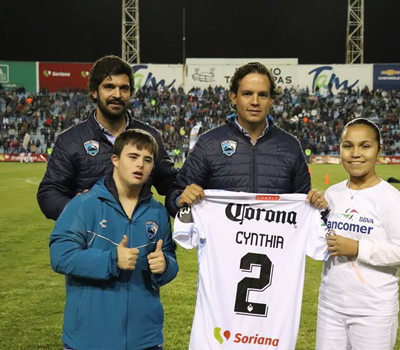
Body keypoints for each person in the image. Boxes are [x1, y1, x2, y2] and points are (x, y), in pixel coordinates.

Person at [50, 129, 178, 350]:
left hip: (145, 340)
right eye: (133, 157)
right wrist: (111, 260)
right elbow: (60, 256)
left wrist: (165, 265)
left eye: (147, 160)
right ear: (115, 160)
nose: (140, 165)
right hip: (90, 341)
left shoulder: (157, 212)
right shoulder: (84, 204)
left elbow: (170, 258)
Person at [166, 62, 327, 216]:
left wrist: (315, 202)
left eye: (262, 95)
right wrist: (180, 200)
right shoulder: (209, 143)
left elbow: (304, 206)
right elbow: (175, 195)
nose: (255, 102)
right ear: (234, 97)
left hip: (273, 243)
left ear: (271, 100)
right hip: (223, 244)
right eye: (247, 94)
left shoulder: (290, 146)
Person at [316, 118, 400, 350]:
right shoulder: (333, 193)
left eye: (365, 146)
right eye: (347, 146)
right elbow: (322, 238)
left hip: (373, 312)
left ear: (379, 150)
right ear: (340, 149)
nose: (355, 153)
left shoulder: (390, 199)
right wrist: (313, 208)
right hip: (330, 307)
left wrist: (357, 248)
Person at [38, 55, 177, 220]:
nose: (117, 94)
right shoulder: (70, 140)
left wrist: (179, 201)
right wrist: (76, 208)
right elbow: (49, 192)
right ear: (94, 91)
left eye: (124, 88)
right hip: (90, 241)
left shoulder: (150, 136)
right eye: (109, 87)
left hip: (138, 238)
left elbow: (170, 184)